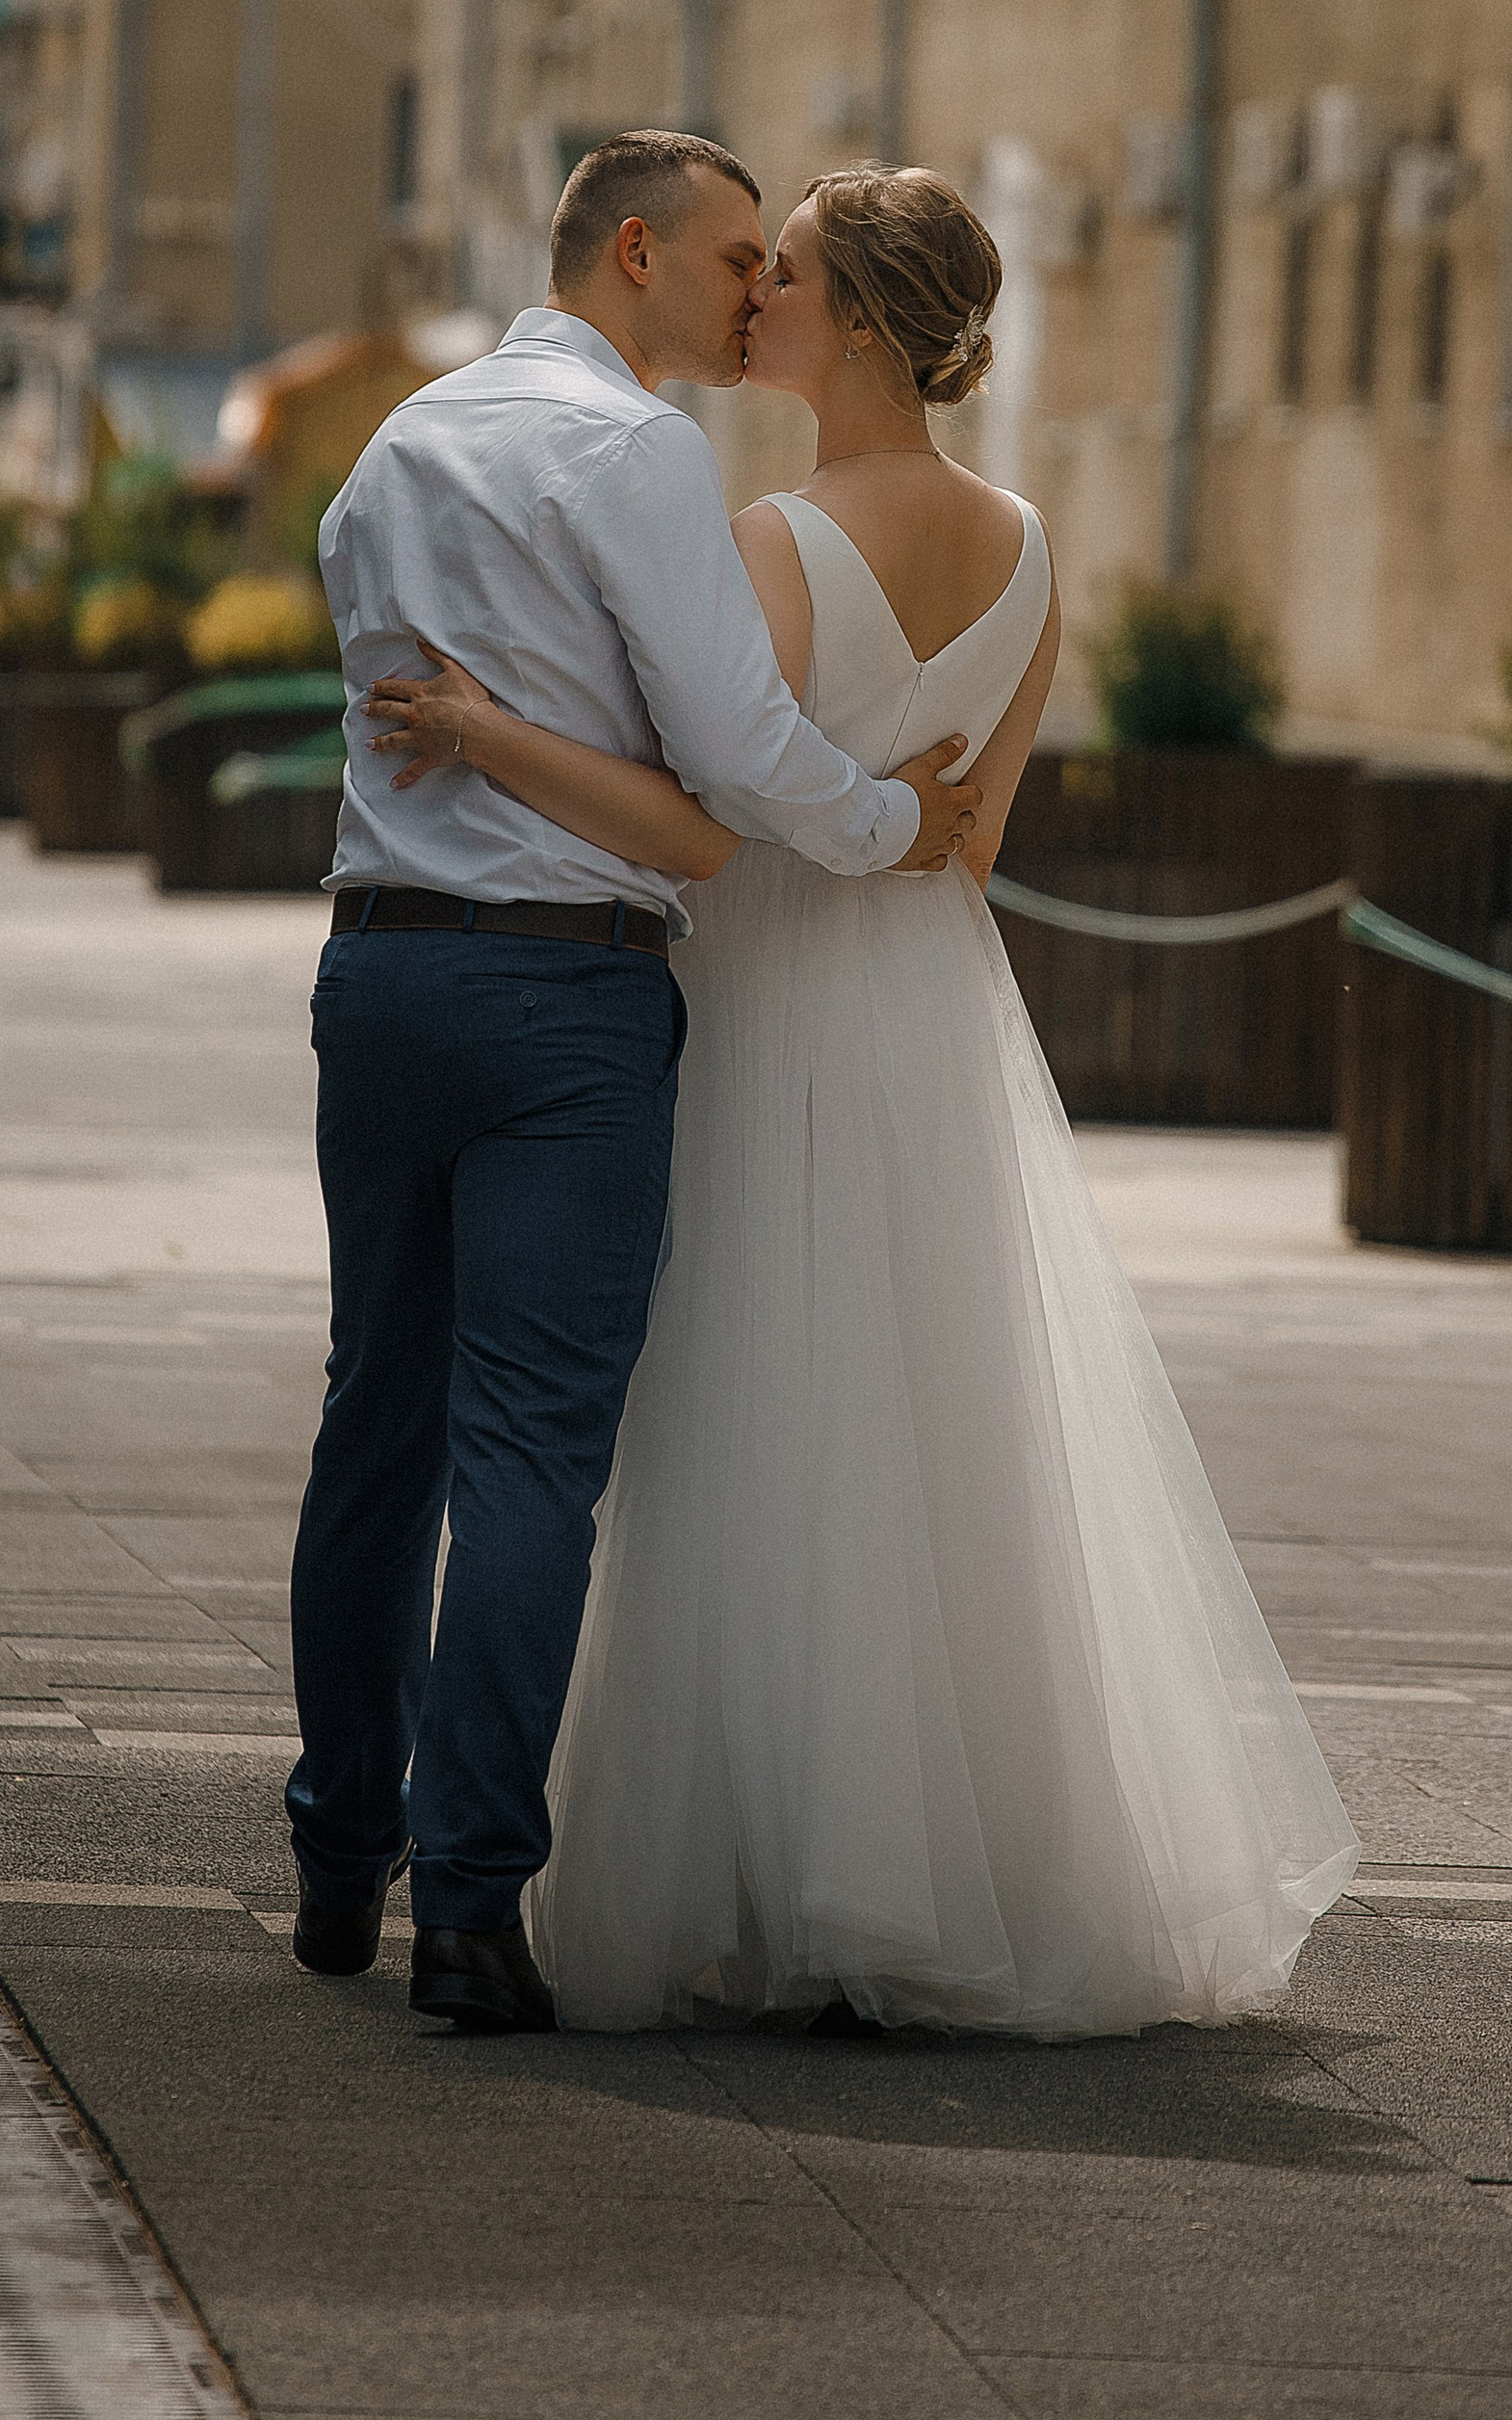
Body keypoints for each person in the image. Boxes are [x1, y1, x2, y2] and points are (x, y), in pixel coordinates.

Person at [366, 164, 1361, 2034]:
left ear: (870, 323)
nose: (756, 303)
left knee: (737, 1415)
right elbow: (965, 845)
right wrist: (887, 835)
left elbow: (695, 820)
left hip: (754, 1006)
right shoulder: (1027, 545)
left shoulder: (768, 541)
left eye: (792, 277)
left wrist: (485, 726)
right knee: (926, 1431)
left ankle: (758, 1865)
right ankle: (937, 1862)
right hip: (929, 1020)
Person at [287, 131, 984, 2037]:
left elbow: (371, 666)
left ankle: (339, 1855)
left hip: (377, 970)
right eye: (734, 256)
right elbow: (741, 750)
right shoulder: (632, 452)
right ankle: (474, 1907)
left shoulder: (397, 446)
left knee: (376, 1425)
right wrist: (880, 829)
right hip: (561, 1003)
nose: (756, 291)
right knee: (528, 1450)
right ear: (631, 253)